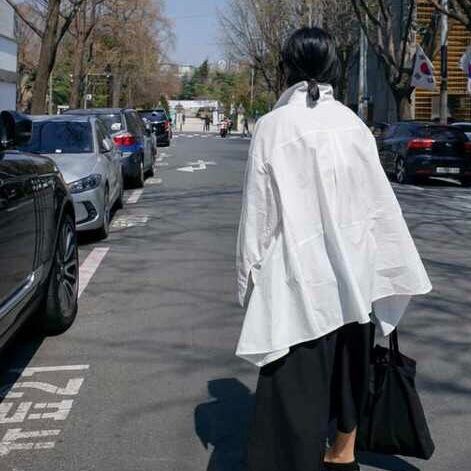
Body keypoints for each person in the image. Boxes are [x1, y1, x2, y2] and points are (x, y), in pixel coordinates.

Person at [236, 27, 432, 471]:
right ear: (332, 68)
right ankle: (343, 456)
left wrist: (248, 276)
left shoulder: (273, 127)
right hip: (355, 280)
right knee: (348, 383)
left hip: (300, 281)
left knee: (293, 401)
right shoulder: (352, 124)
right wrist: (389, 271)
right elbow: (378, 203)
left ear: (286, 68)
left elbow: (258, 214)